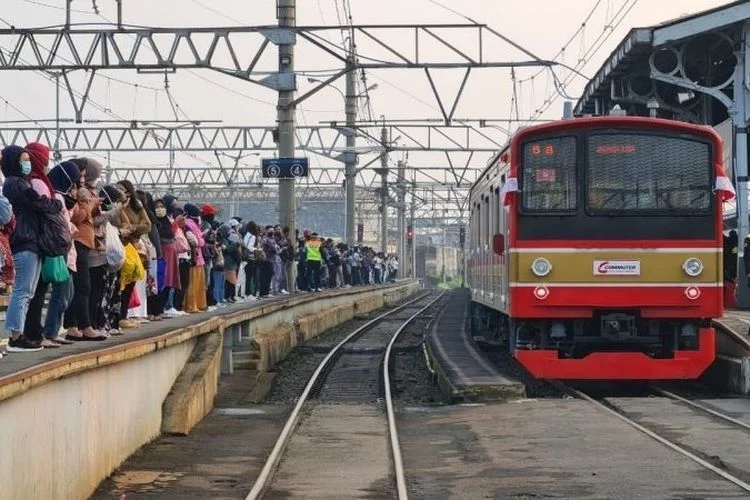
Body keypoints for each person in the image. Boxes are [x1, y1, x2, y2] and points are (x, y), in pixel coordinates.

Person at [2, 145, 62, 352]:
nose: (26, 164)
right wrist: (55, 204)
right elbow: (39, 202)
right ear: (13, 162)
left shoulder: (18, 182)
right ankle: (15, 337)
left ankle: (20, 334)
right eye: (23, 160)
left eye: (27, 159)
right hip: (24, 240)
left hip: (31, 241)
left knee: (27, 291)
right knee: (23, 291)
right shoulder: (15, 183)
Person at [116, 180, 152, 329]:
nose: (118, 192)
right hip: (120, 246)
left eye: (121, 189)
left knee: (130, 282)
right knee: (119, 283)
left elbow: (147, 225)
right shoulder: (115, 206)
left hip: (134, 247)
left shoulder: (137, 207)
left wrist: (132, 228)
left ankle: (124, 316)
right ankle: (117, 317)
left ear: (128, 192)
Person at [182, 204, 207, 313]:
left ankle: (196, 304)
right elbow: (200, 241)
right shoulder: (191, 224)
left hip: (197, 257)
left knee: (195, 283)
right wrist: (203, 237)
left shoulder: (190, 223)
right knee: (194, 284)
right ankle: (192, 305)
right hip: (196, 257)